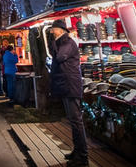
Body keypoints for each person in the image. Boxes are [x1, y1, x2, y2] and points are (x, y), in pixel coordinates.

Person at [49, 20, 89, 166]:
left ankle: (82, 157)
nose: (52, 32)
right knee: (73, 121)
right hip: (67, 86)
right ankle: (77, 151)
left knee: (76, 122)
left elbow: (60, 57)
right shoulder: (62, 42)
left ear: (60, 30)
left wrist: (53, 43)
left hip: (71, 86)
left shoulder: (67, 43)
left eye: (53, 29)